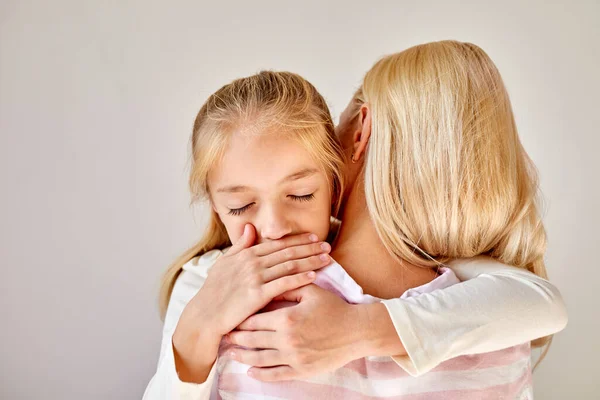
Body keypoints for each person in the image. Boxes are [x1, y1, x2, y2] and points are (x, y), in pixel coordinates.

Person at [143, 42, 567, 399]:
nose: (273, 229)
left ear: (360, 131)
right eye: (239, 206)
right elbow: (540, 302)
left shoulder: (485, 298)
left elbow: (540, 303)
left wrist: (357, 329)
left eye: (300, 194)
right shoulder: (211, 282)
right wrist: (196, 328)